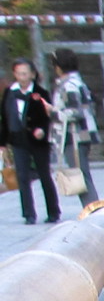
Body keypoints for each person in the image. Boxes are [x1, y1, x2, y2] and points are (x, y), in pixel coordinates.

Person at [3, 59, 59, 225]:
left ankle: (53, 211)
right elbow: (5, 118)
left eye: (25, 73)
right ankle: (28, 213)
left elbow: (49, 115)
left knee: (44, 175)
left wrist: (42, 129)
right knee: (22, 176)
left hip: (37, 139)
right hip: (18, 139)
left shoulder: (40, 92)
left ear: (32, 74)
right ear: (15, 74)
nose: (22, 76)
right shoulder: (10, 93)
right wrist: (3, 142)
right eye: (19, 73)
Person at [50, 48, 99, 209]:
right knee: (82, 175)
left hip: (75, 136)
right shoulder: (77, 82)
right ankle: (91, 208)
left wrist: (52, 112)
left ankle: (93, 210)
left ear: (58, 66)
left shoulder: (69, 85)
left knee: (81, 177)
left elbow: (75, 111)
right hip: (81, 135)